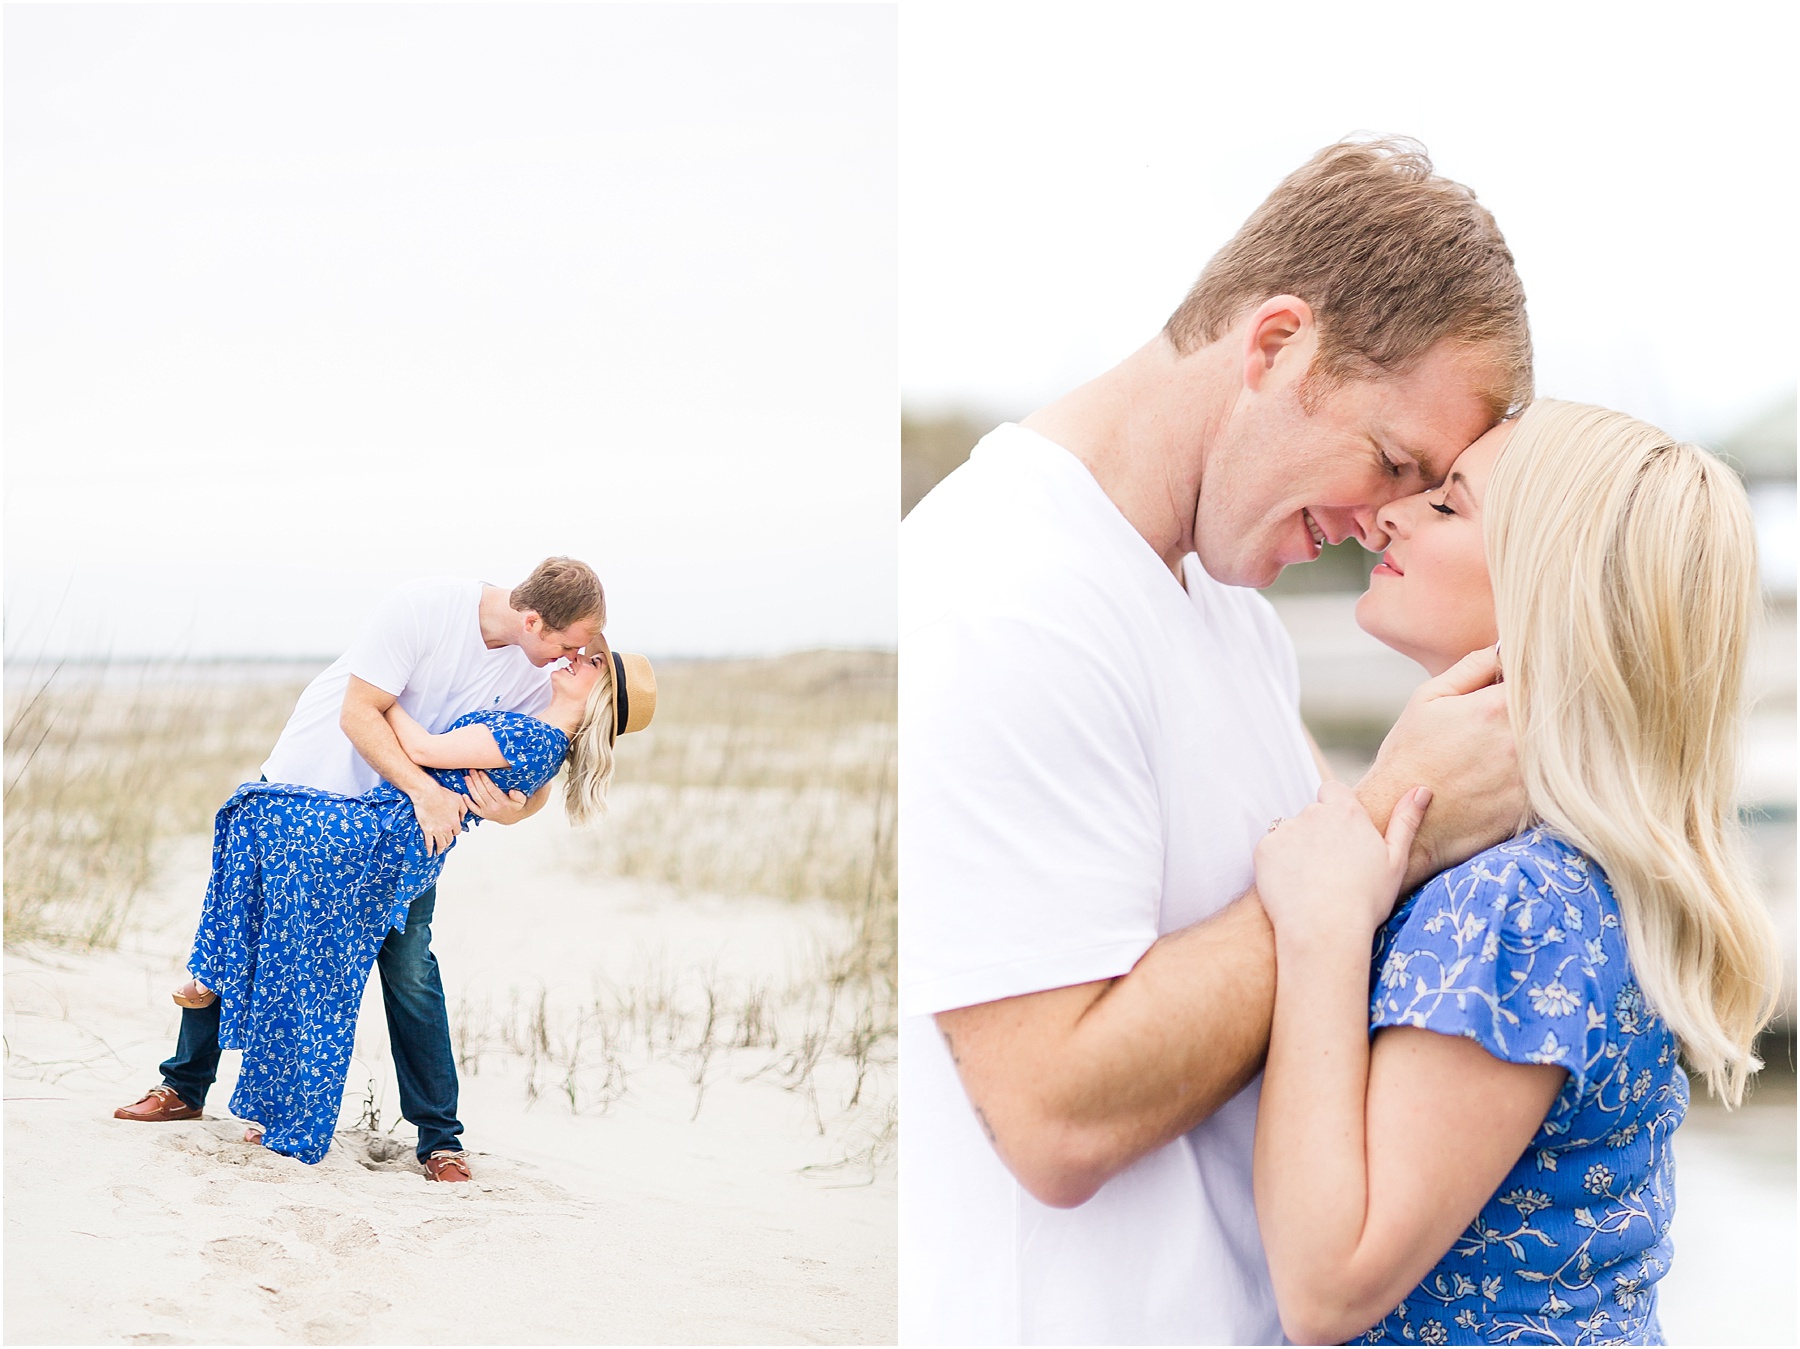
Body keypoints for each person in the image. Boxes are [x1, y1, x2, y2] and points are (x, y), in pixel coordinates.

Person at [900, 138, 1533, 1344]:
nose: (1380, 518)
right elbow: (1053, 1115)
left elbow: (1318, 915)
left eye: (1432, 487)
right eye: (1392, 460)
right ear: (1275, 343)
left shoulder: (1229, 606)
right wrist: (1396, 814)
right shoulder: (1002, 593)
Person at [1251, 400, 1780, 1345]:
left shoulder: (1515, 906)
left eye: (1448, 506)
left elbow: (1327, 1286)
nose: (1389, 516)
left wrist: (1324, 927)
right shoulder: (1577, 870)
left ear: (1549, 593)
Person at [115, 557, 607, 1181]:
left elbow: (529, 775)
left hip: (398, 833)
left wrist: (509, 814)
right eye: (567, 645)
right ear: (533, 619)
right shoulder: (424, 608)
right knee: (262, 931)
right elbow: (357, 714)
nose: (571, 657)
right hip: (309, 784)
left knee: (409, 969)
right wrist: (428, 791)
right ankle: (184, 1087)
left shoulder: (544, 672)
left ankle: (440, 1140)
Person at [183, 640, 650, 1164]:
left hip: (381, 836)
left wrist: (382, 698)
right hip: (402, 844)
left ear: (599, 698)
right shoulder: (542, 735)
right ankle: (244, 1054)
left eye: (592, 665)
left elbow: (424, 750)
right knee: (314, 969)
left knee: (251, 815)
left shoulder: (532, 734)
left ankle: (211, 978)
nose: (575, 659)